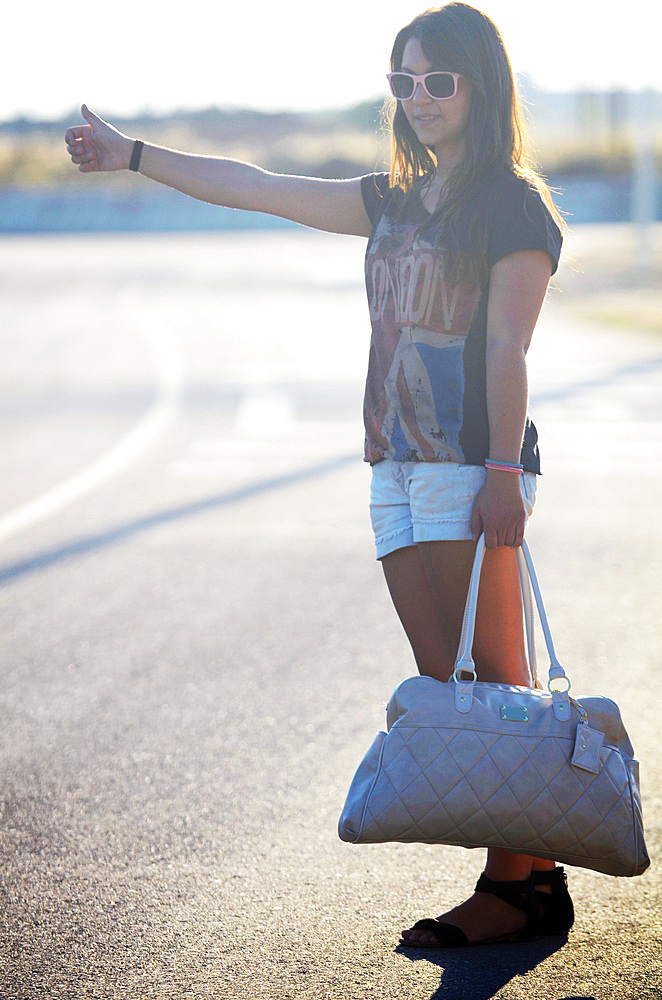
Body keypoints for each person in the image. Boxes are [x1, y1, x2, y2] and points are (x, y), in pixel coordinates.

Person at [65, 2, 574, 948]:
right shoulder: (392, 199)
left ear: (480, 86)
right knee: (445, 684)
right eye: (403, 81)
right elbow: (254, 185)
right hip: (393, 467)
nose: (418, 99)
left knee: (496, 684)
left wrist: (503, 469)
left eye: (439, 81)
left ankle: (518, 891)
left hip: (472, 466)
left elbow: (508, 342)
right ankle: (532, 873)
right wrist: (134, 153)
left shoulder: (513, 205)